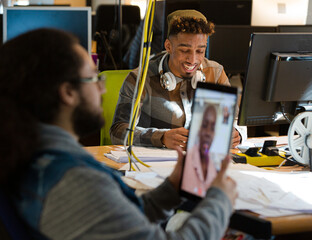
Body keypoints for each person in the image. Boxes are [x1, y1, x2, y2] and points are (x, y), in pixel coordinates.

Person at [0, 28, 238, 240]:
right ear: (68, 93)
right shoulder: (69, 179)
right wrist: (219, 200)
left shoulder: (36, 157)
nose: (102, 87)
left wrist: (171, 190)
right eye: (94, 77)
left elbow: (112, 218)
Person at [110, 9, 247, 150]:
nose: (193, 60)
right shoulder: (140, 78)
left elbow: (236, 122)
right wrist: (161, 138)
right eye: (184, 50)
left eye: (200, 51)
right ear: (168, 46)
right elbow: (118, 131)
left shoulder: (215, 73)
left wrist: (237, 134)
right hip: (155, 165)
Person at [182, 105, 218, 197]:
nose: (208, 133)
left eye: (212, 128)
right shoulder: (188, 159)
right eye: (204, 126)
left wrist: (238, 134)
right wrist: (162, 136)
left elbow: (241, 127)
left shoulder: (215, 164)